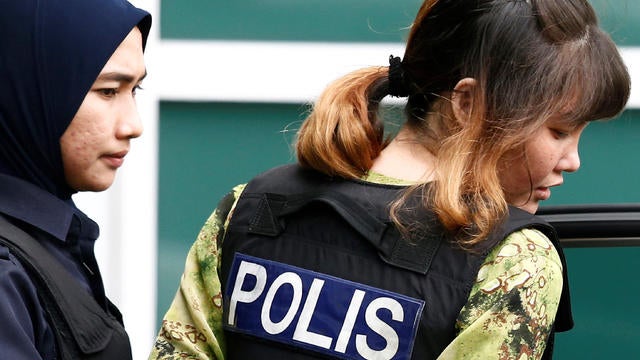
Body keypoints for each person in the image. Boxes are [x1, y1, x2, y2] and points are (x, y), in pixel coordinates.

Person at [150, 0, 629, 359]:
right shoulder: (515, 260)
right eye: (560, 130)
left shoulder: (250, 207)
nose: (573, 160)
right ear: (466, 104)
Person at [0, 0, 151, 359]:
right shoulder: (6, 272)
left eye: (136, 90)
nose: (134, 125)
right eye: (109, 91)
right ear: (31, 90)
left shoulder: (52, 236)